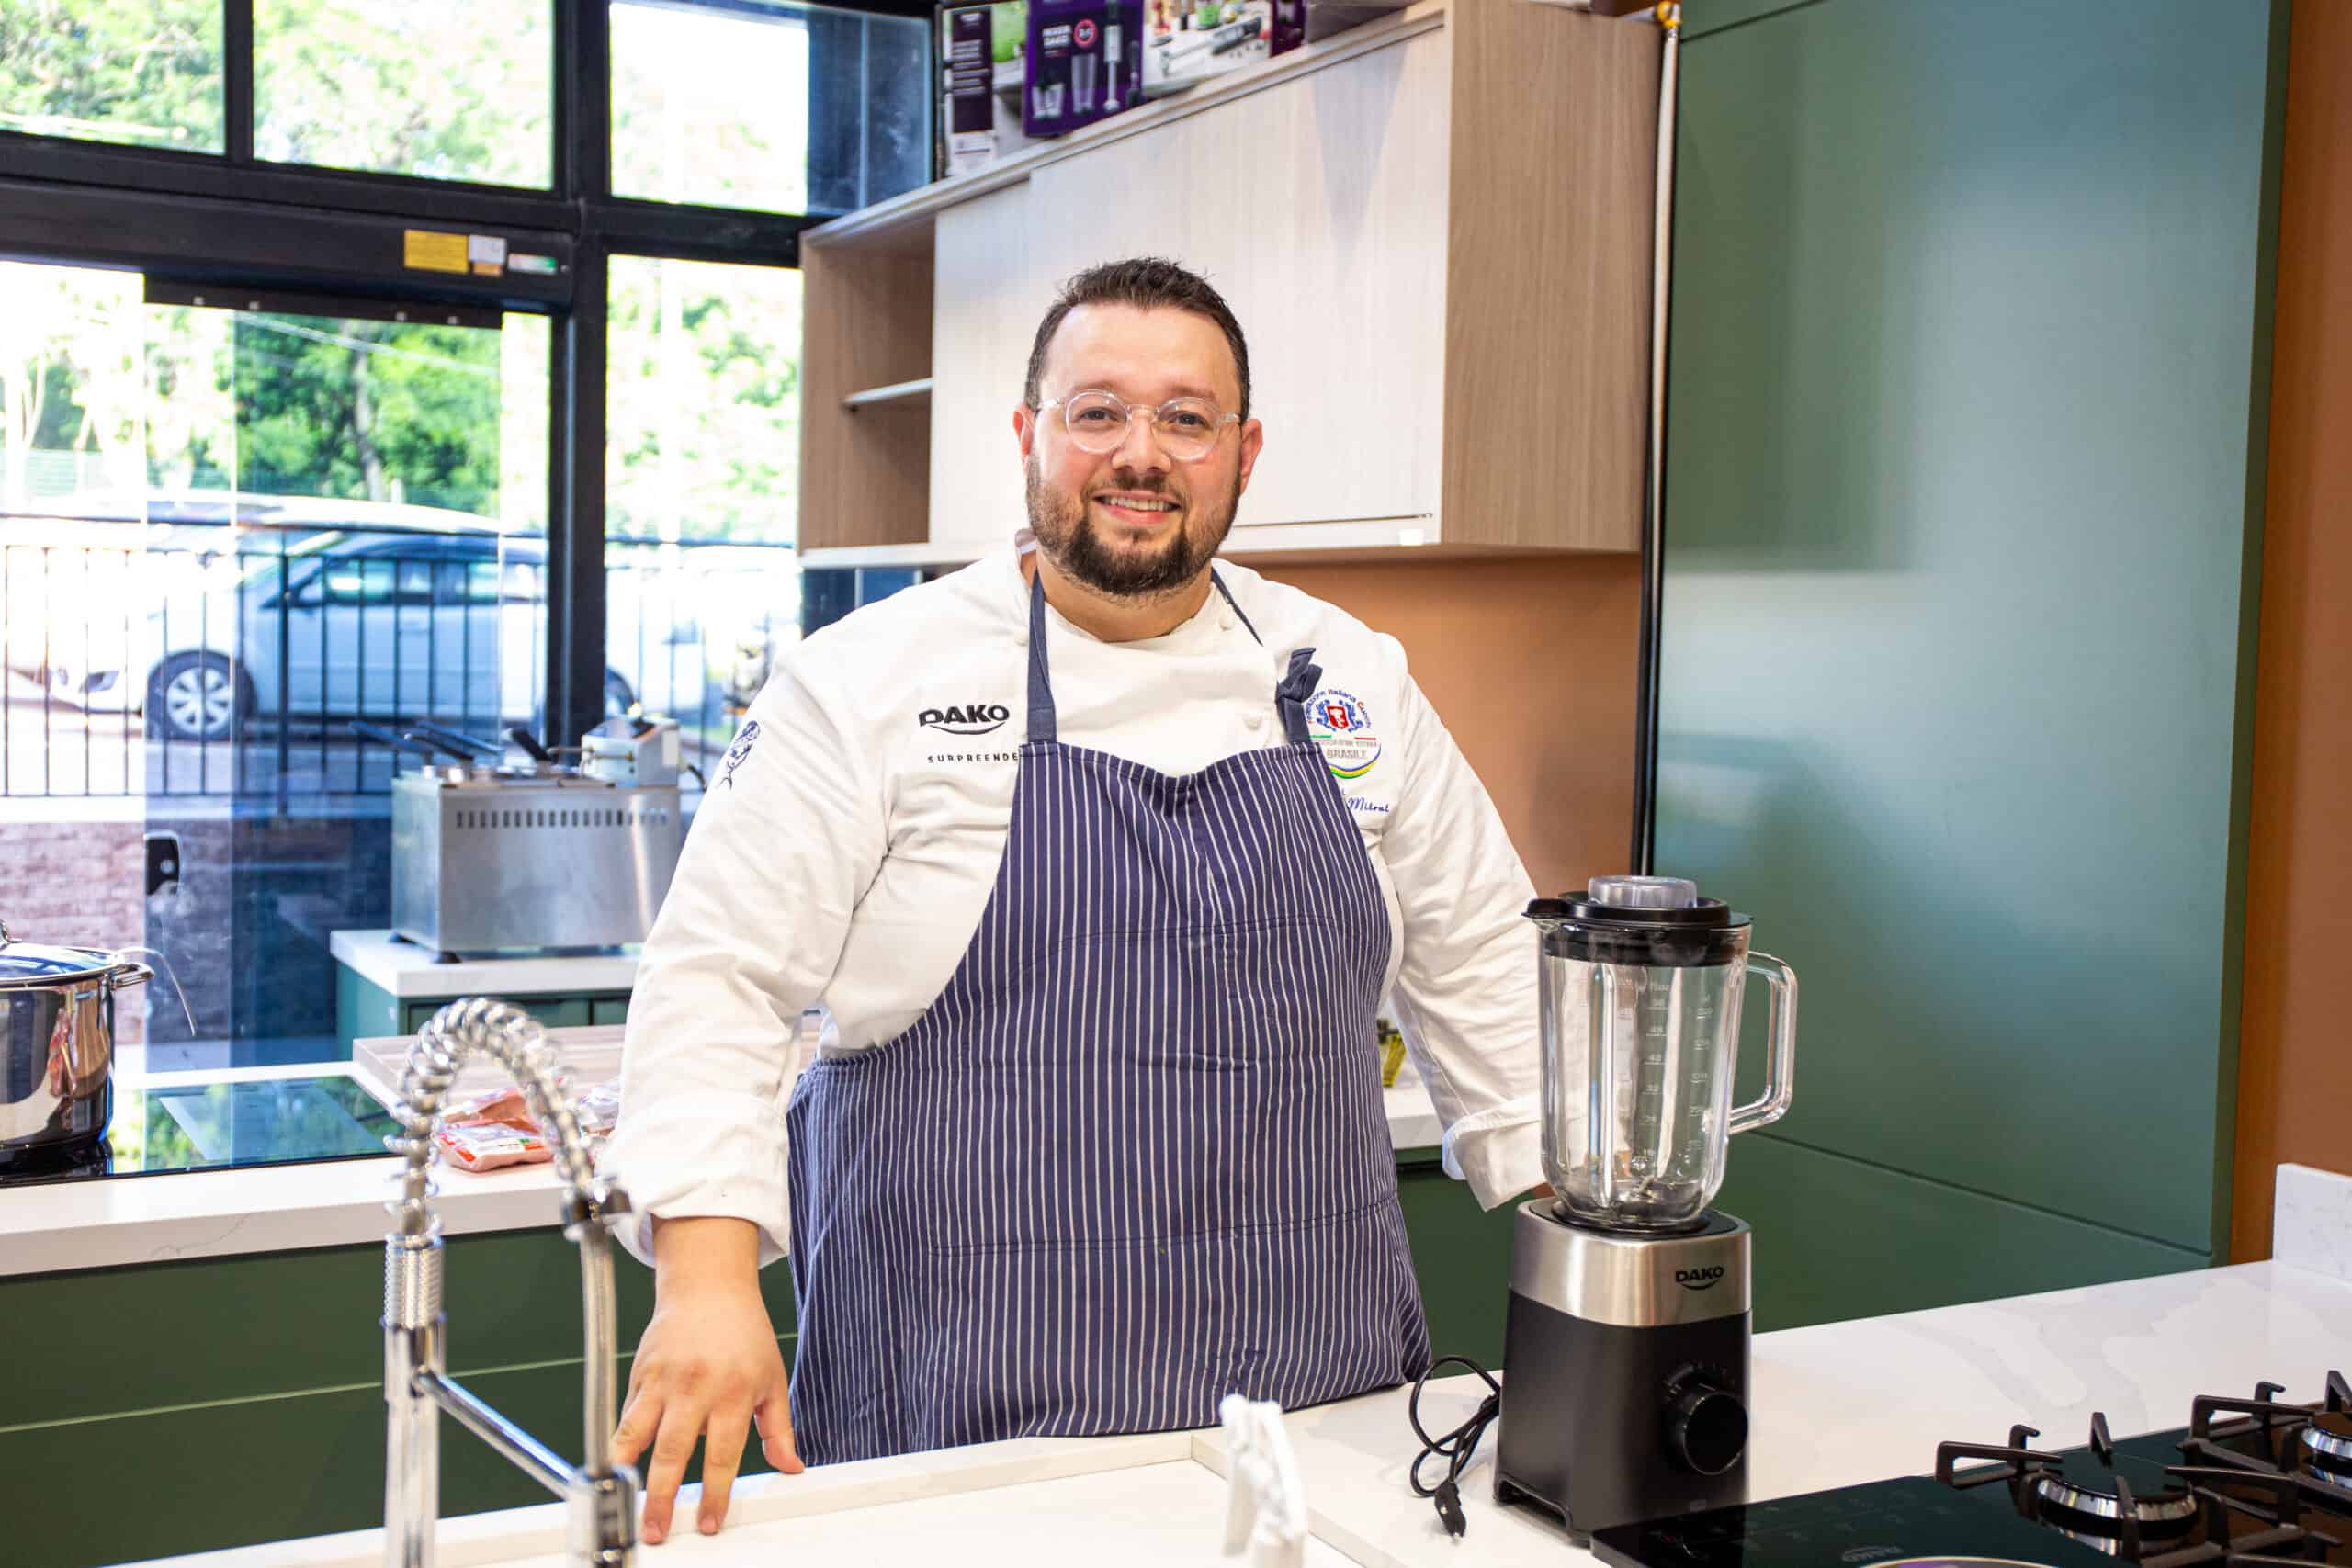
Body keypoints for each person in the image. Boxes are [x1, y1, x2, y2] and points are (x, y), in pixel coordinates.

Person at [601, 256, 1543, 1542]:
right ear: (1030, 436)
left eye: (1186, 418)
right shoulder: (868, 683)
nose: (1138, 454)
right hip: (967, 1421)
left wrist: (1585, 1244)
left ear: (1244, 451)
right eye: (1096, 411)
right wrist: (706, 1278)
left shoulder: (1348, 681)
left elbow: (1485, 953)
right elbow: (723, 977)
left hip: (1312, 1423)